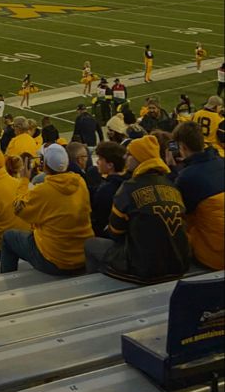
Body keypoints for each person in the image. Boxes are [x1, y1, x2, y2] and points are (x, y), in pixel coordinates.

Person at [84, 134, 190, 283]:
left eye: (129, 154)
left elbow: (115, 232)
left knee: (91, 244)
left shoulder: (128, 188)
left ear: (139, 158)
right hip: (179, 264)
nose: (126, 158)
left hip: (144, 268)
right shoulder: (171, 185)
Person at [0, 145, 93, 275]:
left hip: (56, 260)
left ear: (45, 164)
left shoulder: (43, 190)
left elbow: (18, 208)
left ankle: (7, 281)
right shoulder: (80, 182)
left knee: (8, 237)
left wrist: (24, 180)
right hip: (82, 255)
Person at [173, 121, 224, 271]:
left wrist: (171, 172)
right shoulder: (221, 161)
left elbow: (180, 214)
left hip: (215, 257)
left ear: (182, 146)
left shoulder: (187, 177)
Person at [90, 142, 128, 236]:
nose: (97, 162)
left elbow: (99, 220)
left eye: (100, 159)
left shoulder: (106, 190)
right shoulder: (128, 182)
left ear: (110, 165)